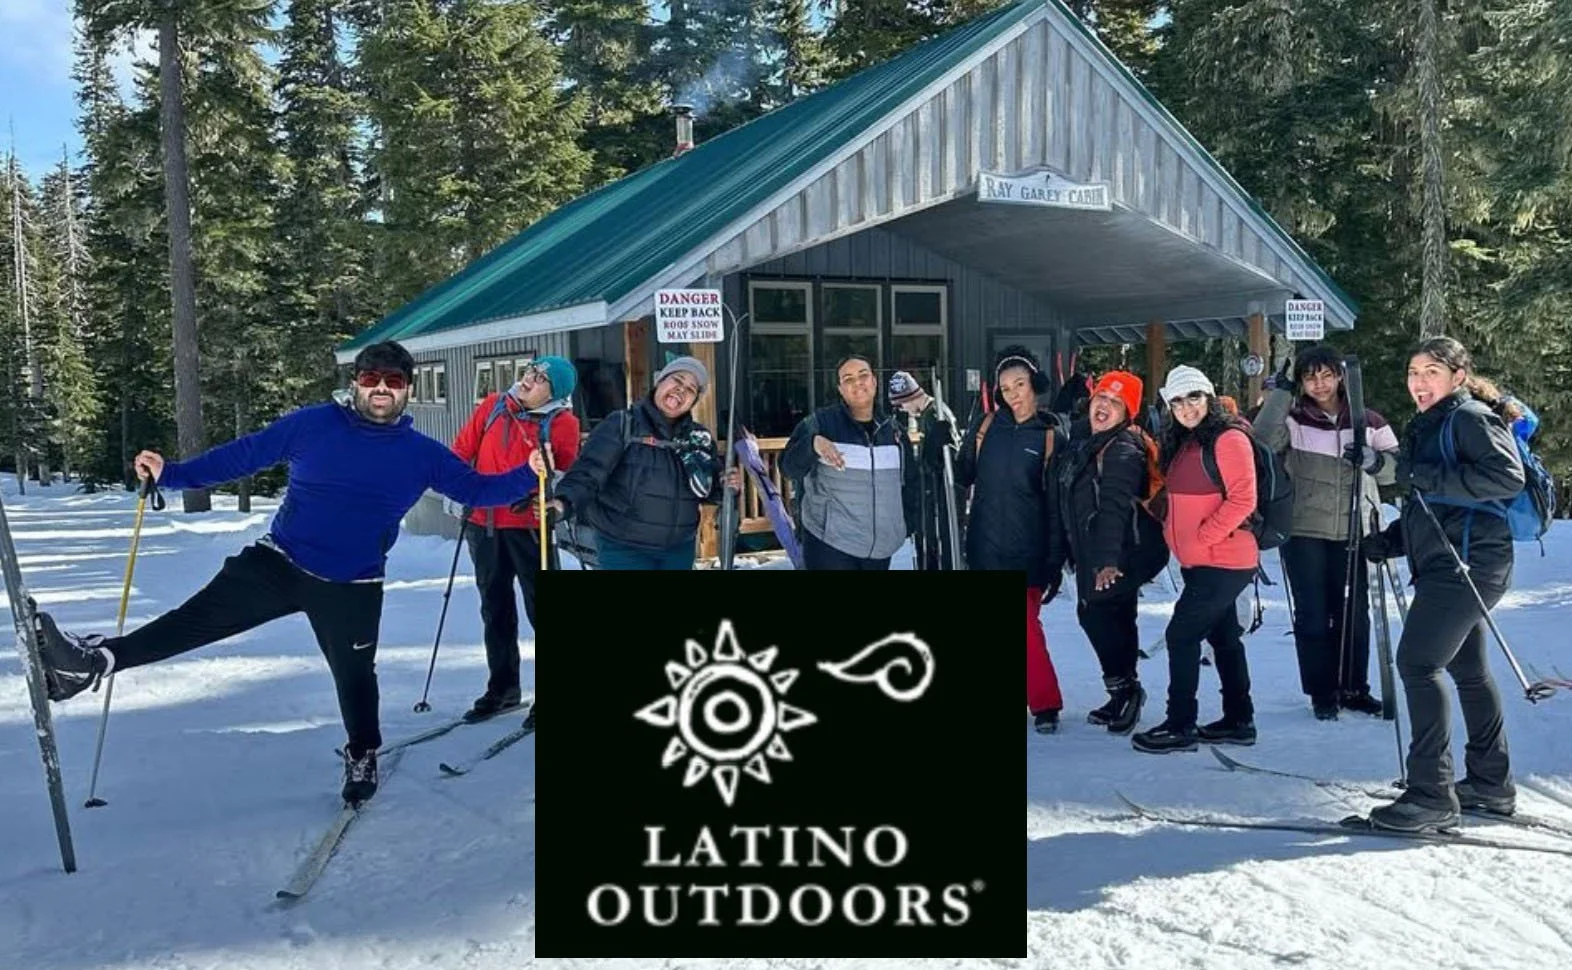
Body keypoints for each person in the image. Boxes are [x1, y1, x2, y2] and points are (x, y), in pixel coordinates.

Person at [29, 341, 543, 806]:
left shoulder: (422, 454)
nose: (381, 389)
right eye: (371, 379)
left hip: (353, 584)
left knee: (356, 679)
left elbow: (478, 491)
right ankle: (91, 663)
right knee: (193, 621)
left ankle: (363, 753)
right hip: (280, 563)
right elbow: (245, 455)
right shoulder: (314, 424)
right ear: (354, 384)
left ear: (406, 390)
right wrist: (175, 473)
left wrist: (530, 473)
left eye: (393, 381)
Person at [1360, 336, 1525, 832]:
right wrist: (1392, 540)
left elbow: (1506, 478)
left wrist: (1422, 476)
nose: (1419, 381)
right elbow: (1436, 506)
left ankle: (1430, 794)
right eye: (1414, 372)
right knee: (1468, 670)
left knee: (1417, 661)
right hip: (1450, 561)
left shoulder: (1468, 417)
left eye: (1431, 371)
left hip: (1471, 563)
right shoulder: (1433, 424)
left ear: (1457, 376)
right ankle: (1489, 784)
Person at [1255, 346, 1399, 720]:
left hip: (1355, 528)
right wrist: (1282, 393)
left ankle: (1353, 687)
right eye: (1309, 377)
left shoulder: (1367, 420)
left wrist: (1374, 460)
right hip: (1304, 530)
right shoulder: (1294, 418)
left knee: (1354, 612)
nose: (1319, 384)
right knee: (1313, 614)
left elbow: (1398, 471)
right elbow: (1260, 444)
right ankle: (1322, 691)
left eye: (1326, 375)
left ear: (1340, 376)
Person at [1131, 365, 1261, 754]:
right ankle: (1240, 720)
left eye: (1193, 397)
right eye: (1177, 401)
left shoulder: (1228, 438)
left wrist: (1203, 537)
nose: (1186, 407)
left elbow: (1243, 499)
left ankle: (1180, 724)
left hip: (1223, 559)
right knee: (1223, 638)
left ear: (1209, 397)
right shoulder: (1186, 442)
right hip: (1203, 561)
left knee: (1181, 635)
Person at [451, 356, 581, 724]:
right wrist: (455, 489)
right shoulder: (493, 406)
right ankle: (503, 689)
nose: (528, 380)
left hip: (529, 526)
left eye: (540, 379)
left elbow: (570, 469)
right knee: (495, 609)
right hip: (484, 524)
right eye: (530, 372)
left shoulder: (562, 422)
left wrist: (556, 492)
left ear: (554, 393)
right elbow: (461, 450)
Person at [955, 346, 1067, 733]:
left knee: (1025, 629)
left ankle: (1045, 703)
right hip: (984, 545)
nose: (1013, 393)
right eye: (1005, 387)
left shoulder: (1050, 435)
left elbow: (1055, 504)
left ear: (1033, 384)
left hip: (1027, 549)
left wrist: (1054, 559)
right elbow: (962, 474)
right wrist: (938, 444)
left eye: (1019, 384)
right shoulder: (986, 427)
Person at [1052, 371, 1168, 735]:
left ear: (1128, 411)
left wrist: (1106, 563)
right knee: (1114, 616)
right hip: (1099, 549)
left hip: (1120, 553)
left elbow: (1115, 508)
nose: (1104, 405)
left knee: (1097, 616)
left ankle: (1126, 690)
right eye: (1101, 397)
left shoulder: (1121, 449)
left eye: (1116, 402)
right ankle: (1122, 691)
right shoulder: (1090, 439)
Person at [550, 356, 740, 570]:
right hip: (624, 548)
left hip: (679, 550)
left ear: (694, 401)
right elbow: (588, 472)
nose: (681, 390)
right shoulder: (622, 425)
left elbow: (706, 487)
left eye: (691, 389)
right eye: (677, 380)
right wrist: (563, 502)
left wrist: (724, 484)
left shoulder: (698, 437)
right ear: (660, 381)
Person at [780, 355, 919, 571]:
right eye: (848, 379)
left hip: (880, 549)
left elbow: (909, 485)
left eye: (863, 375)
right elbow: (788, 467)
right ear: (840, 389)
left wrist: (902, 527)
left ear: (874, 381)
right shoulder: (820, 424)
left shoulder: (894, 432)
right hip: (831, 547)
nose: (857, 383)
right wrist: (812, 444)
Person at [888, 370, 960, 570]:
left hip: (936, 499)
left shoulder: (934, 415)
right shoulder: (927, 415)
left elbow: (947, 457)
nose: (902, 409)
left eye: (901, 404)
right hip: (927, 496)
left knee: (934, 554)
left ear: (910, 396)